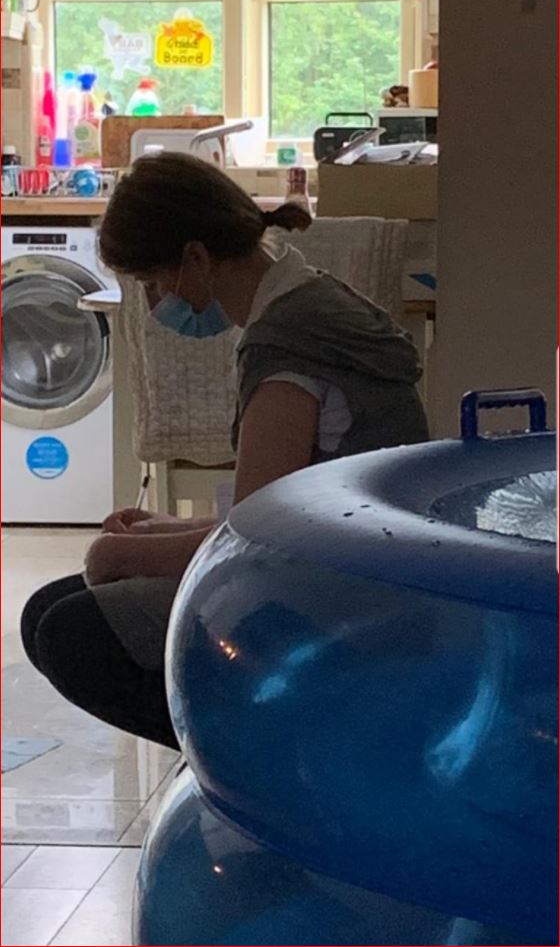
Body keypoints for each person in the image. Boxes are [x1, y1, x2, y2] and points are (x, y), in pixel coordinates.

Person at [21, 153, 429, 751]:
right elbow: (281, 501)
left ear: (195, 258)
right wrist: (163, 530)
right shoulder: (312, 298)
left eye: (155, 283)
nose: (158, 301)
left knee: (68, 630)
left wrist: (120, 552)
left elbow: (261, 542)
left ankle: (250, 758)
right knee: (51, 608)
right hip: (358, 567)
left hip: (329, 598)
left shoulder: (286, 350)